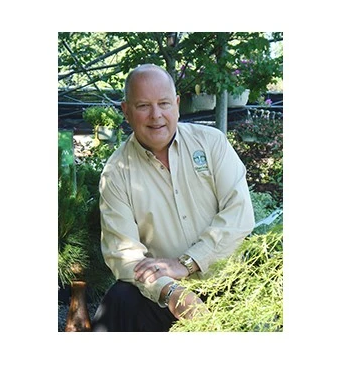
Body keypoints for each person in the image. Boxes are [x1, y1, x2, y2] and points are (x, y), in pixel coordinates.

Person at [91, 64, 255, 332]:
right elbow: (124, 255)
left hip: (230, 283)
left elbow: (240, 216)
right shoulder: (116, 172)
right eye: (143, 105)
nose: (156, 115)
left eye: (164, 103)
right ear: (126, 111)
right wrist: (171, 292)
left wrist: (186, 263)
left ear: (177, 104)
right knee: (119, 300)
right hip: (164, 294)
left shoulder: (212, 143)